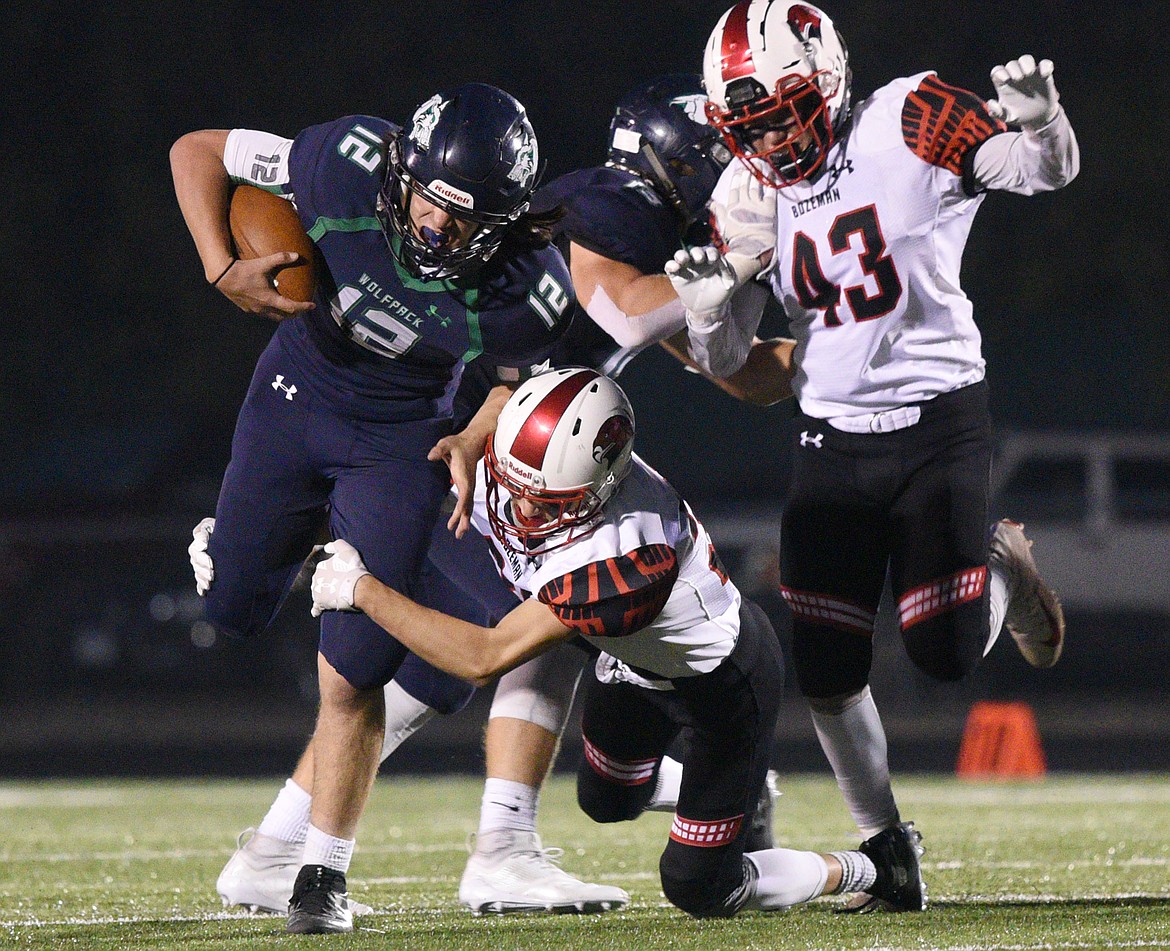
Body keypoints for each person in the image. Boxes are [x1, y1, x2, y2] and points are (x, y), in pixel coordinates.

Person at [200, 74, 795, 920]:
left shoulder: (641, 236)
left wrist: (843, 354)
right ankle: (504, 849)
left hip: (498, 445)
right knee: (529, 630)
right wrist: (739, 260)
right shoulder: (611, 208)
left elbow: (730, 371)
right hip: (457, 447)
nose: (735, 181)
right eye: (721, 163)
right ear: (675, 164)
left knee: (441, 671)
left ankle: (273, 848)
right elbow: (622, 312)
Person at [665, 0, 1079, 911]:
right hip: (831, 437)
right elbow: (730, 357)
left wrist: (1043, 120)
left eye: (784, 110)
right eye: (752, 123)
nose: (772, 137)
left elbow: (1040, 173)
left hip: (938, 423)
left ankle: (1003, 571)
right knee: (826, 672)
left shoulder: (907, 116)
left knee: (942, 653)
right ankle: (887, 847)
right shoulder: (744, 190)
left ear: (830, 76)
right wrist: (702, 312)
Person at [170, 82, 573, 934]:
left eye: (463, 218)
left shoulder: (527, 287)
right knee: (234, 611)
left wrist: (472, 436)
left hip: (400, 438)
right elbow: (195, 150)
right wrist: (218, 262)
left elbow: (511, 381)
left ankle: (321, 876)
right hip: (295, 392)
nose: (434, 227)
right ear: (400, 171)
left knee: (353, 666)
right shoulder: (340, 162)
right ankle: (252, 538)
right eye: (427, 198)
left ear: (502, 223)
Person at [310, 367, 926, 920]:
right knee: (605, 801)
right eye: (515, 482)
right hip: (632, 665)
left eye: (544, 500)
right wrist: (471, 444)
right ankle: (741, 801)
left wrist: (360, 588)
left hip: (721, 685)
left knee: (701, 888)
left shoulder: (632, 558)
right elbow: (503, 397)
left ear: (603, 485)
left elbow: (483, 658)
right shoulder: (530, 449)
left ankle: (877, 865)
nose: (521, 508)